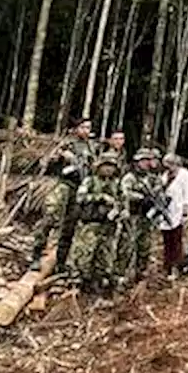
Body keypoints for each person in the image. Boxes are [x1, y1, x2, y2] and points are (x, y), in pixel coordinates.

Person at [31, 116, 96, 272]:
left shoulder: (91, 147)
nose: (86, 131)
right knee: (50, 219)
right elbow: (46, 163)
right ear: (76, 129)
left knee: (70, 226)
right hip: (64, 185)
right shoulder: (66, 144)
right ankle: (36, 255)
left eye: (88, 128)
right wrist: (61, 157)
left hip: (79, 189)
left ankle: (61, 261)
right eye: (83, 127)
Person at [70, 151, 123, 293]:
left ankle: (98, 280)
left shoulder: (117, 183)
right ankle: (79, 280)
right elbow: (80, 198)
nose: (108, 169)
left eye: (111, 166)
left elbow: (123, 201)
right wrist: (99, 197)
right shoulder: (90, 181)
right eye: (105, 166)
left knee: (105, 253)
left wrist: (118, 209)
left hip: (109, 224)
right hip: (91, 223)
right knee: (85, 252)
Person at [118, 148, 163, 286]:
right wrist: (141, 197)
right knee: (127, 246)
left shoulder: (152, 178)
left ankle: (140, 274)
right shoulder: (130, 177)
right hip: (132, 215)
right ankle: (120, 275)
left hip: (145, 216)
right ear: (137, 162)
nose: (146, 164)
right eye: (143, 161)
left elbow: (159, 191)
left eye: (148, 161)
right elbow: (124, 193)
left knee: (144, 246)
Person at [159, 153, 188, 278]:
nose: (169, 166)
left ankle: (177, 267)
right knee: (167, 241)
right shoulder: (164, 176)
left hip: (179, 210)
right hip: (165, 211)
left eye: (171, 163)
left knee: (177, 240)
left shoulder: (184, 174)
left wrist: (186, 207)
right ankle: (167, 267)